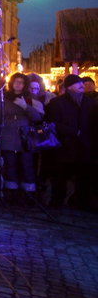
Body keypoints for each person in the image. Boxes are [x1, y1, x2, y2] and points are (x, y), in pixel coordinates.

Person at [46, 75, 96, 209]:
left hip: (84, 146)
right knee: (60, 177)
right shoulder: (57, 103)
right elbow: (53, 123)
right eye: (77, 83)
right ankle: (57, 202)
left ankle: (82, 202)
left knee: (83, 177)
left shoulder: (90, 103)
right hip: (64, 146)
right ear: (69, 87)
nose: (81, 85)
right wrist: (73, 131)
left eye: (81, 83)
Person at [0, 73, 44, 205]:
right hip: (8, 137)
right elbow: (0, 116)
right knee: (10, 166)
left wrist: (25, 106)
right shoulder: (4, 98)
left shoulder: (31, 99)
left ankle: (28, 194)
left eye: (21, 82)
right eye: (16, 82)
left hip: (24, 138)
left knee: (26, 166)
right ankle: (11, 193)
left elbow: (38, 118)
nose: (18, 85)